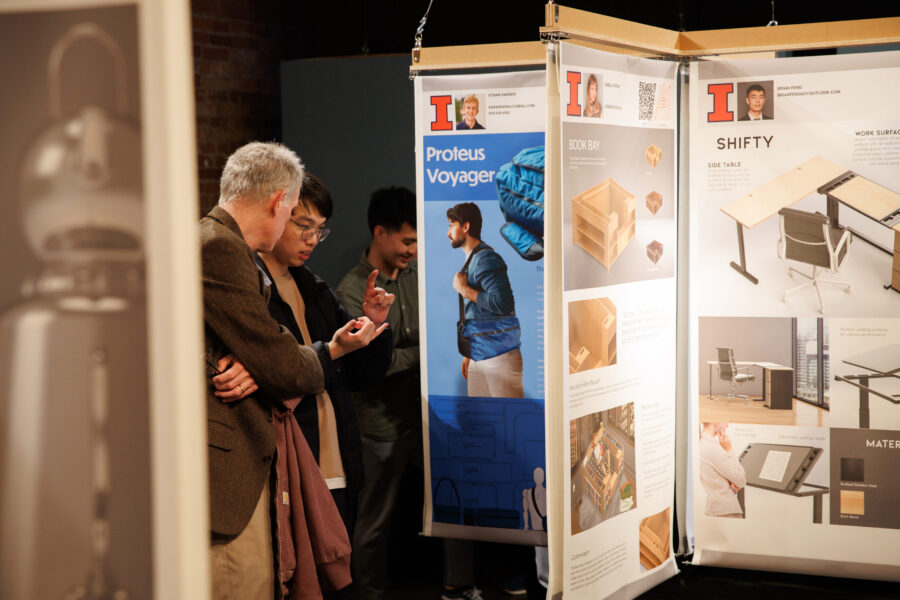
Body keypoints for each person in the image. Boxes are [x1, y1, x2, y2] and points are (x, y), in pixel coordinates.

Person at [201, 141, 384, 599]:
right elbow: (282, 364)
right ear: (279, 202)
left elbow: (266, 358)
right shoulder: (222, 248)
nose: (305, 236)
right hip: (232, 479)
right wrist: (320, 353)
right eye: (299, 221)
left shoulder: (227, 247)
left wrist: (259, 366)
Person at [256, 172, 394, 545]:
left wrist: (373, 327)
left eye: (320, 230)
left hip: (335, 463)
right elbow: (278, 370)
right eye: (303, 226)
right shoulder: (251, 289)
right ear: (275, 213)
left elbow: (361, 375)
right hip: (287, 466)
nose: (312, 240)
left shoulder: (313, 288)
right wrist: (333, 350)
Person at [447, 202, 523, 398]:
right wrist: (468, 353)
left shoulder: (486, 259)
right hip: (480, 353)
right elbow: (476, 312)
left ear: (465, 227)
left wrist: (464, 289)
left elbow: (503, 303)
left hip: (499, 355)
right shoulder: (472, 259)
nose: (448, 233)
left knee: (508, 424)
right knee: (483, 422)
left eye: (451, 225)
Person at [698, 422, 746, 517]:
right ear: (716, 422)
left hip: (715, 509)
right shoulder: (712, 448)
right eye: (725, 421)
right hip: (726, 510)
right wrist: (729, 449)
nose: (727, 425)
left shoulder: (701, 444)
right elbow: (741, 480)